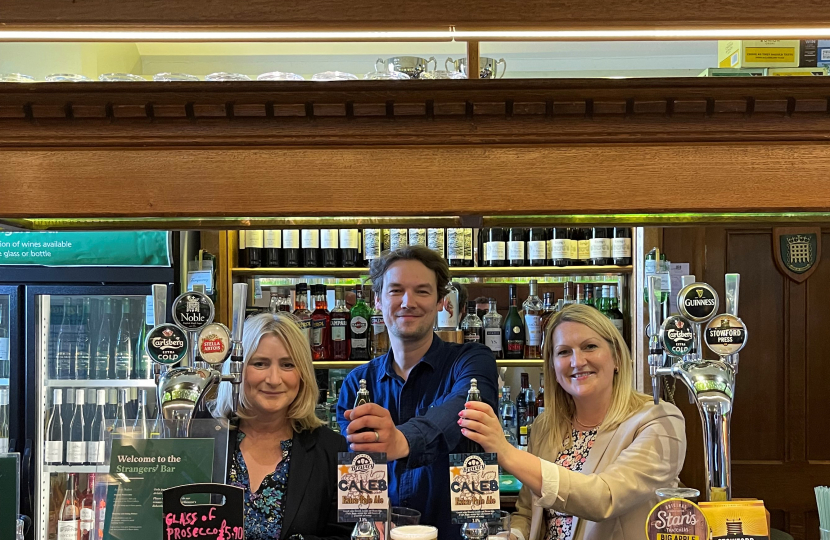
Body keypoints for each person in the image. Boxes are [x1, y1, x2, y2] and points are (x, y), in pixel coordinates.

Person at [459, 304, 686, 540]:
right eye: (564, 352)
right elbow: (528, 512)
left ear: (617, 357)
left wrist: (505, 452)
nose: (577, 361)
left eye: (590, 346)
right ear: (554, 367)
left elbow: (605, 498)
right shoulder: (545, 427)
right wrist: (514, 535)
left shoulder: (659, 422)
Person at [337, 246, 499, 540]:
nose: (408, 302)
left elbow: (464, 409)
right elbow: (359, 483)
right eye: (396, 290)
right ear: (377, 300)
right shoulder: (357, 384)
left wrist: (402, 440)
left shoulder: (473, 360)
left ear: (440, 301)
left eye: (422, 292)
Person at [213, 312, 352, 540]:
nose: (274, 379)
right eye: (260, 363)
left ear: (303, 374)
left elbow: (348, 535)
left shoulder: (333, 449)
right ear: (236, 372)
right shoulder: (205, 440)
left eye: (287, 365)